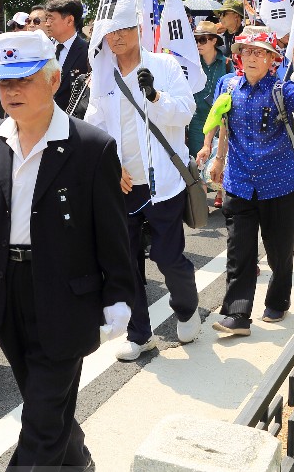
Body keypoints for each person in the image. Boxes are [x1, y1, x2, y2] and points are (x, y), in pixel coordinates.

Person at [0, 31, 135, 470]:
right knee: (43, 400)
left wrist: (118, 294)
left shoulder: (92, 147)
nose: (12, 91)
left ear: (53, 80)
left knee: (41, 419)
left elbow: (112, 233)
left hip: (65, 293)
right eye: (5, 81)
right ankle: (77, 461)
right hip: (4, 290)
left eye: (24, 79)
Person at [84, 21, 200, 359]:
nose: (117, 37)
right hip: (122, 185)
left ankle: (187, 307)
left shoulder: (164, 65)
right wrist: (110, 164)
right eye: (110, 32)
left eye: (124, 29)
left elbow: (186, 112)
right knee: (125, 262)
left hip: (163, 181)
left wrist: (155, 96)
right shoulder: (103, 74)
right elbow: (95, 125)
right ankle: (139, 334)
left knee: (167, 256)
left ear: (138, 28)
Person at [199, 29, 294, 336]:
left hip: (279, 184)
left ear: (271, 59)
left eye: (259, 52)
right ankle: (237, 314)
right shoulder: (228, 84)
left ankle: (278, 299)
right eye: (247, 51)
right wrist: (217, 157)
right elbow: (223, 122)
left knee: (279, 251)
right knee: (239, 251)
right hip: (239, 182)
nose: (252, 57)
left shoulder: (281, 88)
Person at [189, 20, 234, 208]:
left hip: (221, 119)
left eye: (203, 40)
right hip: (197, 118)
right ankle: (201, 205)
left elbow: (232, 88)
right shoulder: (191, 63)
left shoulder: (226, 63)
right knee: (198, 160)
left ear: (214, 40)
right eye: (196, 40)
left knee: (220, 155)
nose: (198, 44)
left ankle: (221, 191)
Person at [43, 0, 90, 111]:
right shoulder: (43, 50)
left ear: (69, 20)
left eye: (51, 18)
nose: (47, 24)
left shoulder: (88, 52)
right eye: (46, 18)